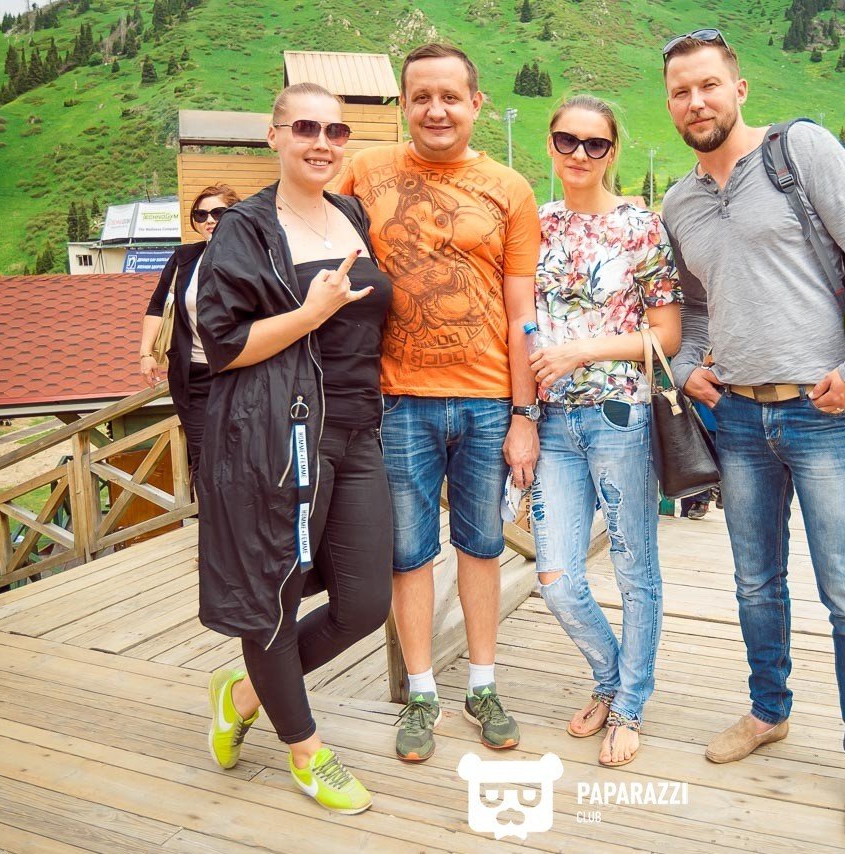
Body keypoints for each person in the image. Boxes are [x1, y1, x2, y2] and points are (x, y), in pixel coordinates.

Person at [660, 30, 845, 843]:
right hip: (738, 416)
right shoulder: (679, 203)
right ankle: (769, 713)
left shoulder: (801, 151)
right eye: (681, 91)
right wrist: (685, 367)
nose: (696, 102)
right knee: (755, 583)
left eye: (708, 85)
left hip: (823, 410)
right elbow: (696, 306)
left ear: (739, 88)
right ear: (670, 105)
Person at [195, 82, 394, 815]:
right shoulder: (245, 229)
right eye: (306, 127)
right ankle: (306, 750)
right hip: (281, 437)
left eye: (336, 130)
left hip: (359, 430)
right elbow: (222, 345)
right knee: (273, 595)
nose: (322, 142)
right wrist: (308, 315)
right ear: (273, 135)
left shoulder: (350, 214)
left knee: (365, 602)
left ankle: (243, 694)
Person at [338, 43, 540, 762]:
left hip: (487, 401)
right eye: (421, 97)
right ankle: (421, 692)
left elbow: (522, 312)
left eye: (450, 97)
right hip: (397, 400)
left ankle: (483, 685)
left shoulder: (510, 188)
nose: (436, 110)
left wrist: (525, 414)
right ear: (403, 104)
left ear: (476, 103)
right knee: (409, 553)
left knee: (482, 546)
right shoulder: (365, 171)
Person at [526, 95, 682, 767]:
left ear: (612, 152)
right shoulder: (536, 223)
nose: (580, 154)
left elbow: (667, 334)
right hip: (552, 422)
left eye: (596, 144)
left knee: (633, 568)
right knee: (556, 578)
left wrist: (582, 351)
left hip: (621, 416)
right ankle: (612, 678)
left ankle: (629, 704)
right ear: (551, 144)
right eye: (568, 140)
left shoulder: (640, 225)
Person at [140, 184, 241, 475]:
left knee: (241, 460)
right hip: (193, 377)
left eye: (218, 213)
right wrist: (146, 353)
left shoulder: (251, 257)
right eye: (201, 214)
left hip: (239, 375)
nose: (209, 220)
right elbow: (157, 305)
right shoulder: (184, 259)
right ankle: (207, 507)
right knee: (204, 462)